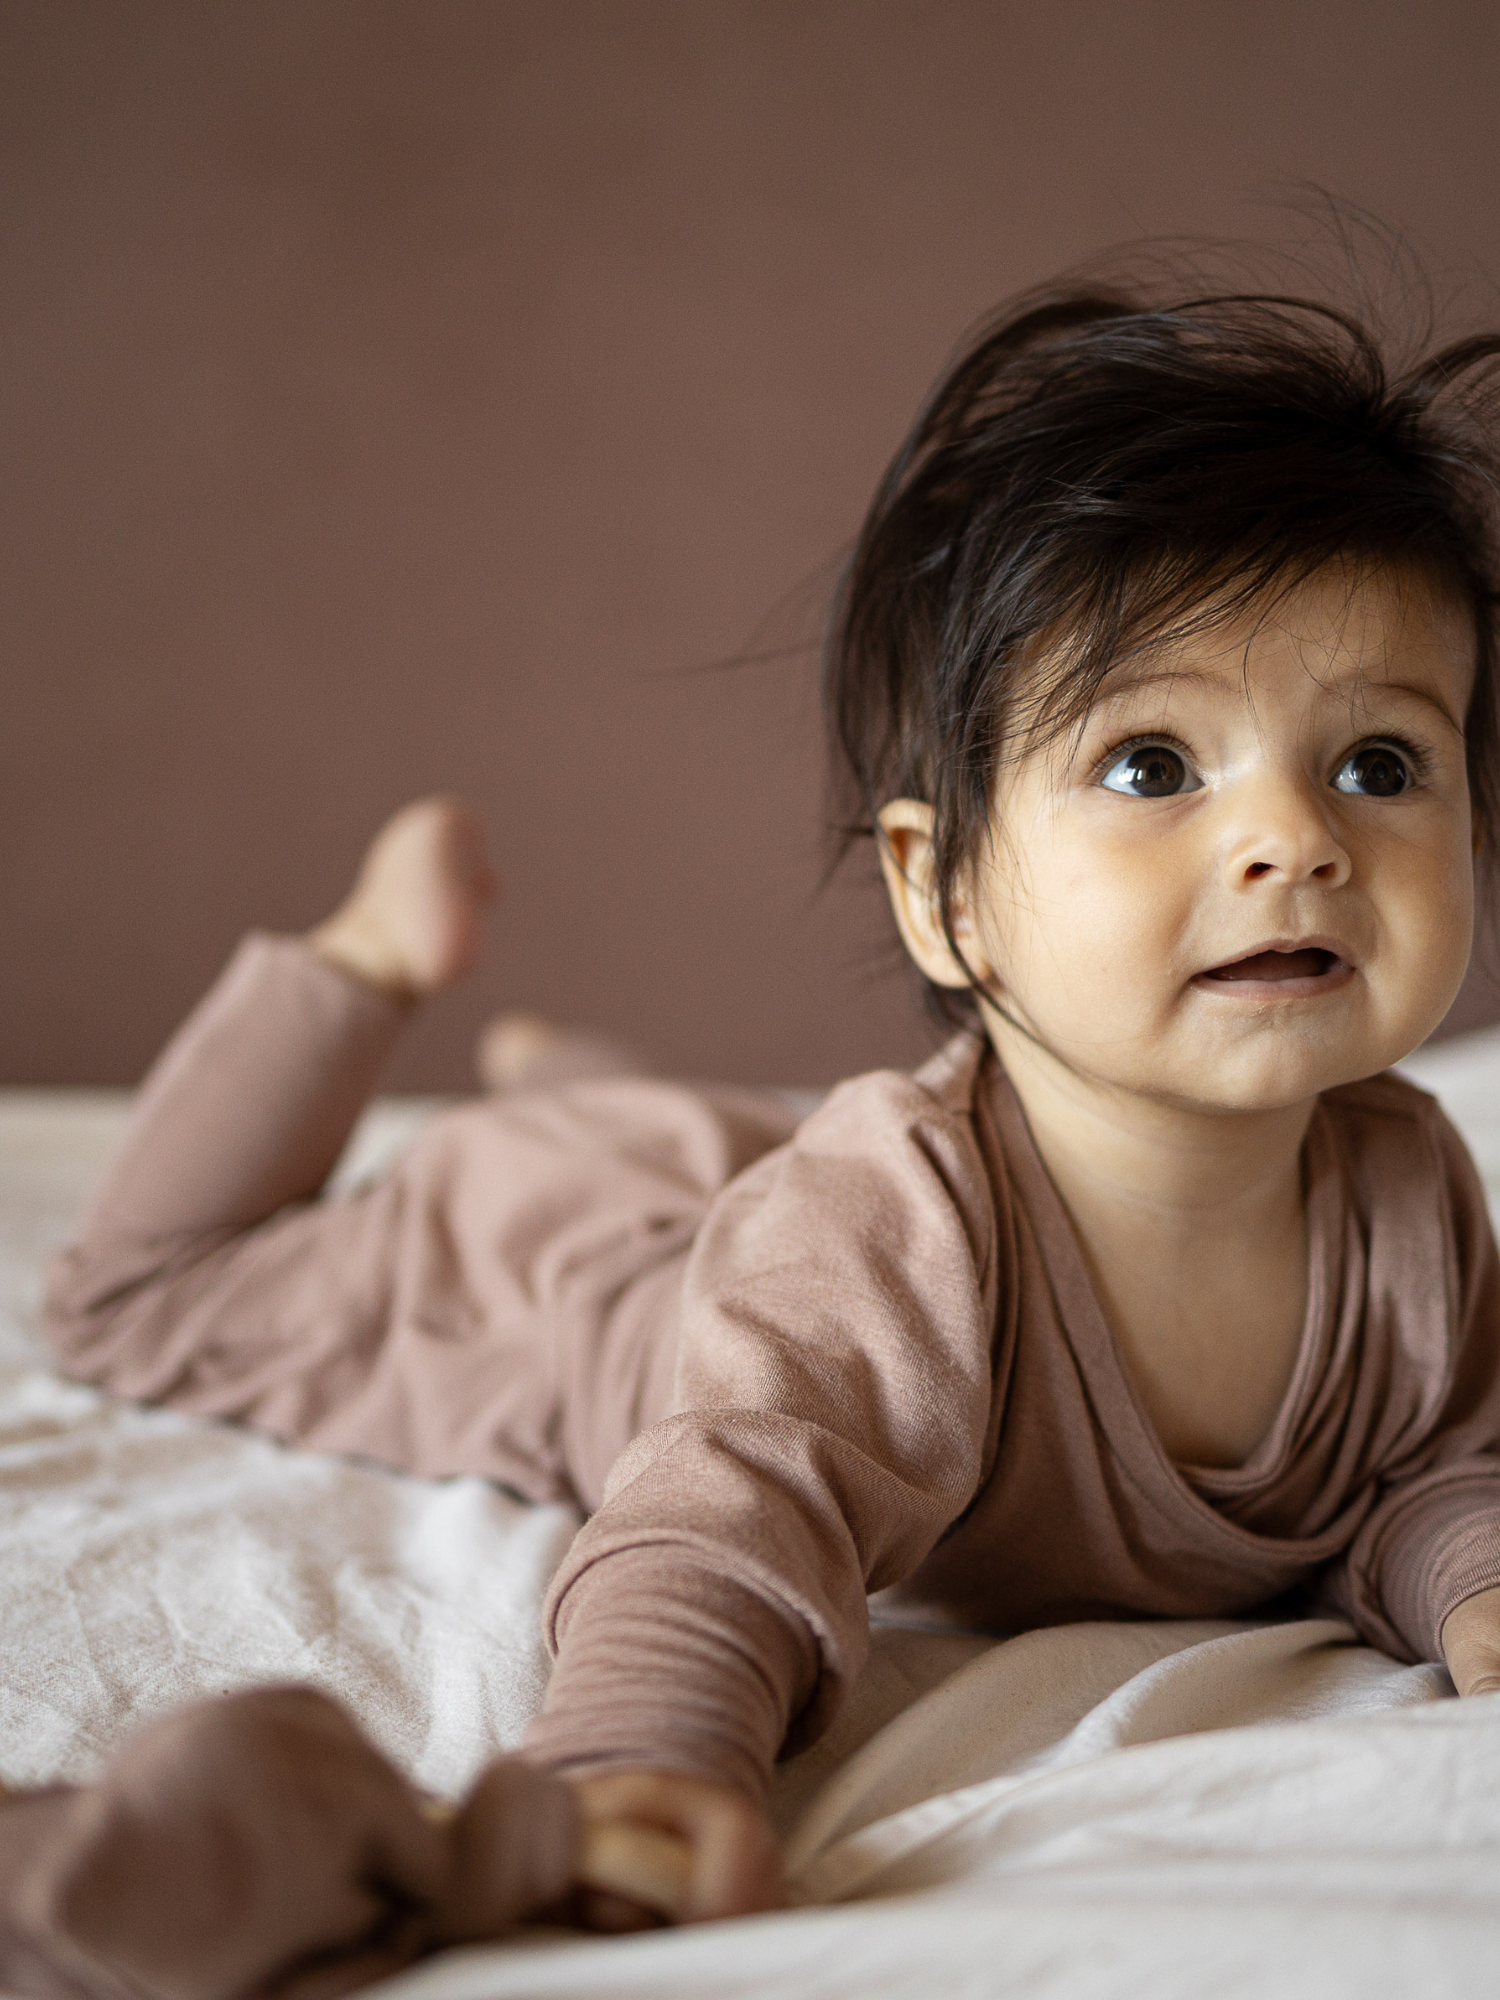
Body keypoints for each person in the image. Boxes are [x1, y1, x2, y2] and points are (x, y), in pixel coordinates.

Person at [39, 273, 1500, 1926]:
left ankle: (605, 1082)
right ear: (940, 890)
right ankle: (368, 962)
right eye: (1153, 764)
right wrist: (637, 1754)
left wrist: (1473, 1581)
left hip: (766, 1190)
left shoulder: (1412, 1192)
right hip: (591, 1261)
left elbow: (1423, 1470)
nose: (1296, 839)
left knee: (760, 1172)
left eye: (1380, 762)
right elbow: (732, 1512)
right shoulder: (892, 1225)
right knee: (140, 1302)